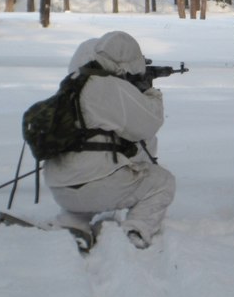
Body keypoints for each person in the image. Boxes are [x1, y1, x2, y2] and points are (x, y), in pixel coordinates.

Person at [44, 31, 175, 249]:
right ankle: (136, 230)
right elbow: (149, 123)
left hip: (60, 187)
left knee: (97, 170)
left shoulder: (73, 82)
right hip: (94, 186)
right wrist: (148, 91)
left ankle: (73, 222)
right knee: (163, 182)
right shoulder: (108, 87)